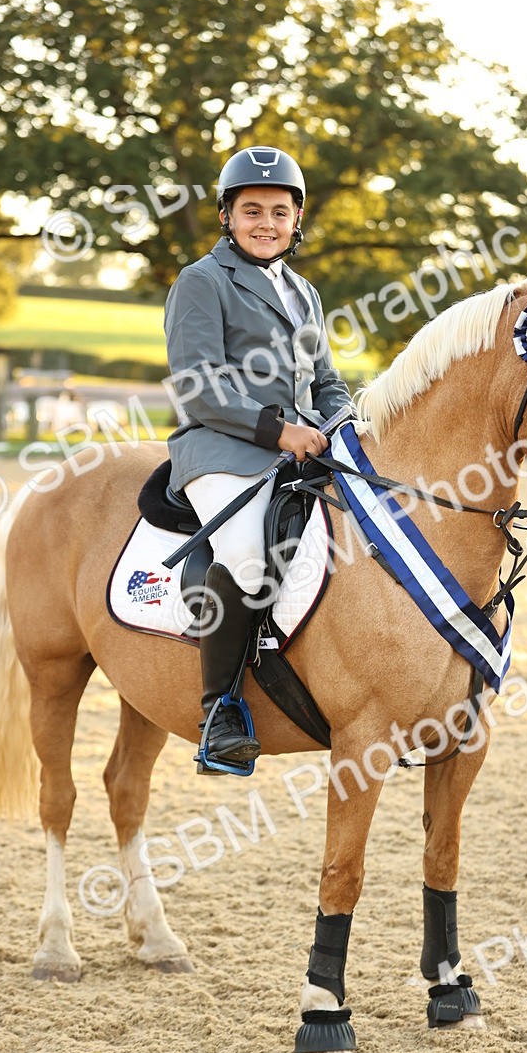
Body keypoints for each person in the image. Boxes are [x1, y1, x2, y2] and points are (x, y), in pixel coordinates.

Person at [164, 146, 354, 774]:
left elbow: (325, 380)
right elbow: (198, 383)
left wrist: (342, 422)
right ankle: (219, 712)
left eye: (279, 211)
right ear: (227, 216)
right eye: (251, 211)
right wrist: (280, 432)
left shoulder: (304, 292)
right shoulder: (202, 280)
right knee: (246, 552)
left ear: (297, 220)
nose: (265, 223)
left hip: (296, 448)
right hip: (221, 448)